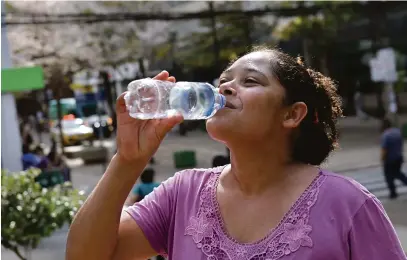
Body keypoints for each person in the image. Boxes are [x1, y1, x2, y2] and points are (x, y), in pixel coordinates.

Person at [67, 48, 406, 260]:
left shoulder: (347, 204)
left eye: (251, 81)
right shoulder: (181, 194)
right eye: (224, 80)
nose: (225, 88)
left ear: (292, 114)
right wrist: (127, 162)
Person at [381, 118, 407, 199]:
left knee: (388, 176)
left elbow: (384, 149)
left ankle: (393, 193)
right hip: (398, 157)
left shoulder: (385, 135)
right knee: (397, 173)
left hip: (389, 159)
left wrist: (382, 158)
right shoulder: (397, 132)